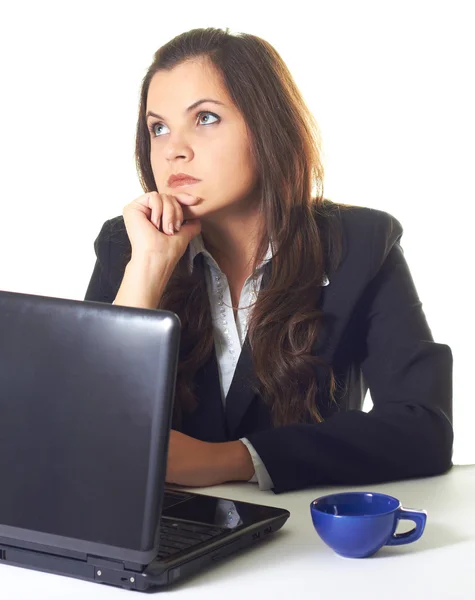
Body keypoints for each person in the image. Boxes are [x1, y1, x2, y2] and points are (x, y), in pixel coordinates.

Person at [84, 27, 453, 494]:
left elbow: (423, 428)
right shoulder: (128, 244)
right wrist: (147, 271)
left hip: (302, 537)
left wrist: (233, 459)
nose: (174, 148)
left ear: (266, 127)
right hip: (162, 533)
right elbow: (84, 428)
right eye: (158, 128)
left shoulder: (360, 243)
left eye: (206, 118)